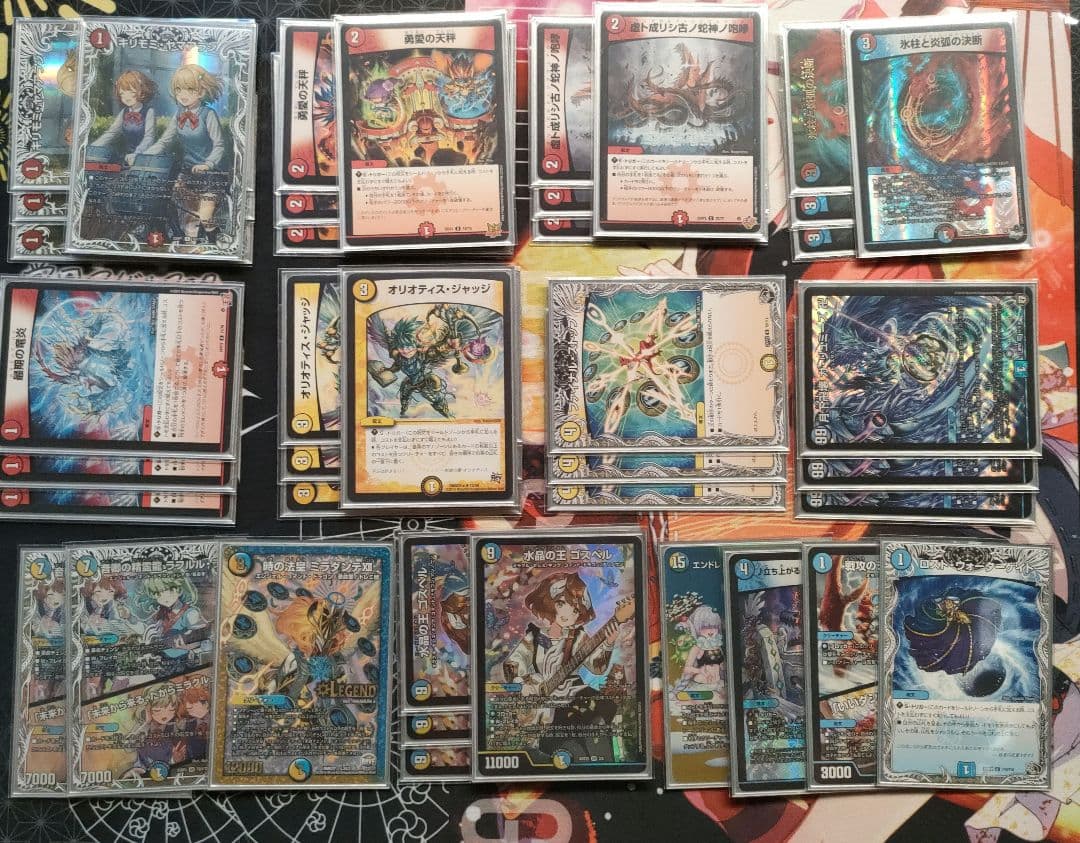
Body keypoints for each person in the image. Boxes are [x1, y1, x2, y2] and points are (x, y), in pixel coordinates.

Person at [144, 64, 227, 243]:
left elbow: (219, 145)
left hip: (211, 175)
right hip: (188, 172)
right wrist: (144, 157)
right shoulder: (179, 114)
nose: (183, 94)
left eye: (190, 89)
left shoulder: (208, 114)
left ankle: (216, 242)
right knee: (173, 205)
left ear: (202, 90)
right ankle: (183, 242)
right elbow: (165, 141)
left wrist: (208, 164)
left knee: (205, 217)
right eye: (179, 89)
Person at [87, 69, 158, 164]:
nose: (126, 97)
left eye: (131, 92)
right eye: (122, 94)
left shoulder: (149, 112)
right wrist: (93, 148)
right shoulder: (124, 112)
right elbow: (112, 133)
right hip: (127, 157)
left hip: (144, 157)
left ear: (142, 91)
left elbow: (149, 138)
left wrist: (137, 153)